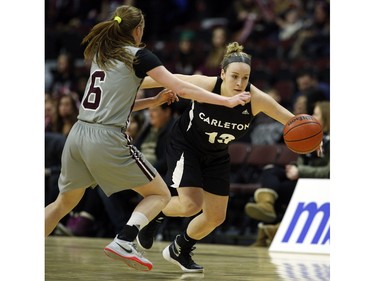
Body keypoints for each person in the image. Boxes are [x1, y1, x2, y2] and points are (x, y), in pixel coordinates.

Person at [44, 4, 251, 272]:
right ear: (139, 29)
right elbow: (182, 87)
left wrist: (153, 100)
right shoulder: (140, 56)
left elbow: (114, 102)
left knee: (63, 203)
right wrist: (226, 100)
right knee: (160, 193)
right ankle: (124, 239)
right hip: (105, 137)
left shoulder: (102, 53)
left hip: (78, 134)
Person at [138, 42, 320, 273]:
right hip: (187, 145)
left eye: (245, 78)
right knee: (190, 205)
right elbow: (166, 77)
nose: (240, 83)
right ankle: (155, 213)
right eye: (234, 76)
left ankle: (180, 248)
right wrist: (126, 84)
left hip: (217, 154)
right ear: (222, 73)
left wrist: (316, 141)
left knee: (215, 216)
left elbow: (295, 123)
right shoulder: (206, 84)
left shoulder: (256, 99)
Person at [245, 100, 330, 246]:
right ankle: (266, 205)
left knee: (280, 189)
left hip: (320, 186)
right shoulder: (312, 137)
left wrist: (300, 171)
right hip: (303, 179)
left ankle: (269, 231)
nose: (312, 116)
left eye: (316, 114)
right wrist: (294, 167)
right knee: (271, 170)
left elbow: (329, 171)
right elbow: (303, 162)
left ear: (327, 117)